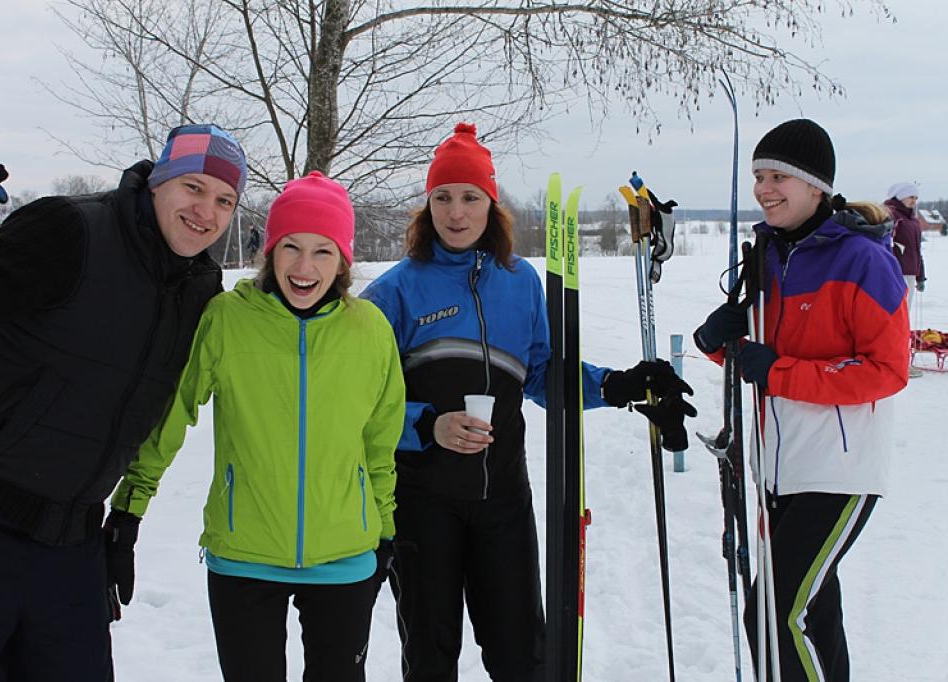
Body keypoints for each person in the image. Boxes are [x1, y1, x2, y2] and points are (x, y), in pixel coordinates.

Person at [361, 122, 695, 681]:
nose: (456, 212)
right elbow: (360, 400)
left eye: (470, 197)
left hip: (503, 501)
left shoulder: (520, 284)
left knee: (523, 657)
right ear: (428, 205)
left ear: (492, 205)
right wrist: (426, 426)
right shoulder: (395, 292)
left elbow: (542, 373)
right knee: (429, 658)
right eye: (442, 198)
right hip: (422, 502)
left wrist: (619, 386)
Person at [0, 123, 245, 681]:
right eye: (193, 188)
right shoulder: (70, 229)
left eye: (224, 200)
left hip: (70, 541)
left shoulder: (200, 290)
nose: (206, 211)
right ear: (157, 182)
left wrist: (122, 522)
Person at [109, 171, 405, 682]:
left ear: (343, 262)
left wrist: (384, 529)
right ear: (269, 251)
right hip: (243, 558)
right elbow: (171, 417)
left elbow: (380, 442)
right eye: (290, 247)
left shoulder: (370, 330)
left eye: (322, 251)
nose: (304, 267)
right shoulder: (226, 318)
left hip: (344, 557)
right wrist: (129, 510)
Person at [694, 118, 909, 681]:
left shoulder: (864, 261)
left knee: (774, 612)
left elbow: (886, 370)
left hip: (840, 470)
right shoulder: (766, 257)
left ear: (816, 185)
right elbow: (767, 358)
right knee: (815, 615)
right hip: (778, 468)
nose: (765, 188)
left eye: (779, 177)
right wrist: (724, 345)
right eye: (759, 176)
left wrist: (779, 371)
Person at [885, 182, 926, 311]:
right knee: (894, 311)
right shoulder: (891, 216)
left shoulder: (913, 221)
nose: (914, 201)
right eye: (910, 197)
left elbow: (916, 250)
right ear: (900, 197)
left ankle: (902, 332)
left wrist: (920, 277)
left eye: (915, 198)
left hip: (910, 274)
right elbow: (884, 245)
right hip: (895, 273)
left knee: (905, 311)